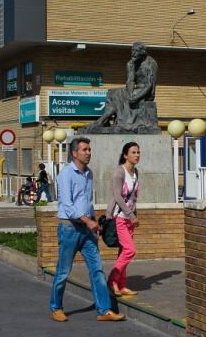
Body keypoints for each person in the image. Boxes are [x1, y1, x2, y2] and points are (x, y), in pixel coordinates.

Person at [49, 137, 125, 322]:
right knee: (63, 271)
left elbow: (87, 202)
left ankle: (104, 310)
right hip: (69, 229)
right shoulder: (66, 174)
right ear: (74, 153)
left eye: (89, 149)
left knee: (97, 269)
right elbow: (67, 205)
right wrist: (86, 221)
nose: (89, 152)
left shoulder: (89, 173)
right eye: (85, 150)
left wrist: (93, 220)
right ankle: (56, 307)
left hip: (87, 230)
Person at [105, 142, 141, 297]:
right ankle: (112, 280)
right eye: (133, 152)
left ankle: (122, 284)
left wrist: (134, 214)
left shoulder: (136, 172)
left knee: (123, 252)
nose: (137, 155)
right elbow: (117, 196)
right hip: (120, 216)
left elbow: (133, 197)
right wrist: (130, 215)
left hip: (130, 217)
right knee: (130, 250)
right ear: (125, 155)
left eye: (138, 152)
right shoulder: (119, 172)